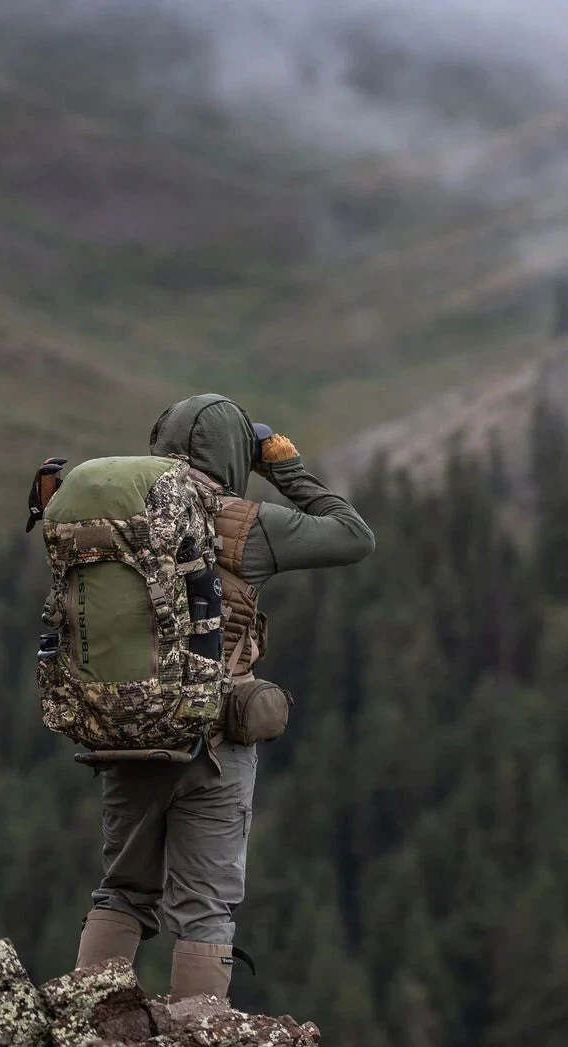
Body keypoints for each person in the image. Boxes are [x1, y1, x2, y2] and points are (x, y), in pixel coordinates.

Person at [73, 393, 376, 1001]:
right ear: (233, 452)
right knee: (205, 908)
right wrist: (281, 463)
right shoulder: (243, 522)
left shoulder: (117, 515)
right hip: (212, 738)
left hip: (124, 729)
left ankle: (85, 1027)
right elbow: (353, 535)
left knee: (122, 889)